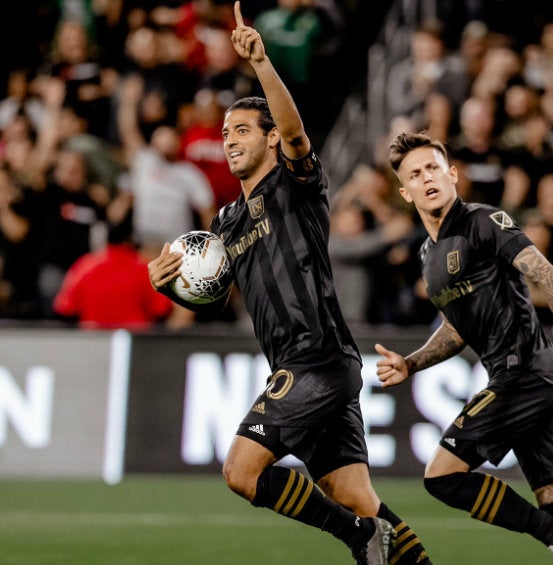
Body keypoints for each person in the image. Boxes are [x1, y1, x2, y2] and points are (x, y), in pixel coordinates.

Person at [147, 4, 433, 565]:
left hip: (316, 359)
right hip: (302, 364)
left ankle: (356, 539)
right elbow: (212, 298)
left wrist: (261, 63)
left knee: (241, 470)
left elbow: (298, 132)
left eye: (243, 130)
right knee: (356, 497)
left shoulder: (295, 185)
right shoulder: (226, 222)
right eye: (225, 132)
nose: (229, 139)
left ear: (271, 139)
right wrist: (173, 286)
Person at [377, 130, 553, 565]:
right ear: (405, 191)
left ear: (453, 174)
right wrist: (411, 362)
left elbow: (542, 269)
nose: (427, 178)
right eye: (415, 174)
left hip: (524, 374)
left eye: (434, 167)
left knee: (442, 476)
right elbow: (456, 331)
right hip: (536, 379)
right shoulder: (427, 254)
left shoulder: (481, 220)